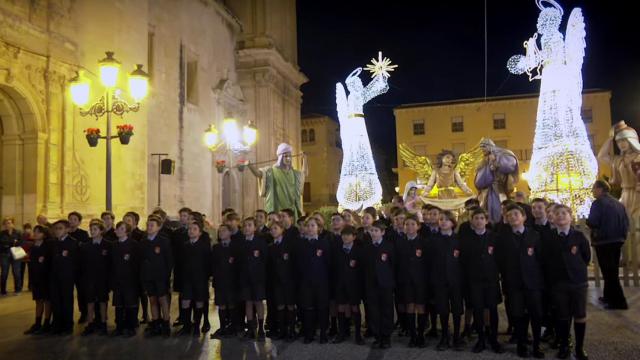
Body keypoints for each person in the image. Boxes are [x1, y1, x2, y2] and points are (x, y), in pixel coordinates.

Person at [496, 205, 545, 358]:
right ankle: (521, 344)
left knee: (536, 315)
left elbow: (542, 260)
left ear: (524, 217)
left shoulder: (535, 235)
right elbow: (500, 260)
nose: (513, 217)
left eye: (516, 214)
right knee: (518, 315)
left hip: (533, 284)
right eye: (509, 215)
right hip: (514, 284)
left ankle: (537, 345)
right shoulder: (503, 238)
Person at [544, 205, 590, 360]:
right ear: (553, 218)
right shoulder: (549, 237)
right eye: (557, 214)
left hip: (578, 282)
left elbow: (586, 257)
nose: (561, 216)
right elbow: (545, 260)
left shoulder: (579, 237)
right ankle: (564, 345)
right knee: (562, 315)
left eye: (564, 213)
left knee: (580, 314)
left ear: (571, 217)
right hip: (558, 283)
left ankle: (579, 347)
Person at [460, 208, 503, 354]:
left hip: (491, 280)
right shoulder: (466, 239)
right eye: (476, 218)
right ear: (471, 221)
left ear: (486, 220)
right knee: (478, 309)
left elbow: (500, 259)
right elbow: (463, 261)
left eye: (481, 218)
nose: (479, 221)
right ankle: (481, 339)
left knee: (492, 310)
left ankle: (494, 339)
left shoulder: (494, 238)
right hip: (474, 281)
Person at [587, 180, 629, 310]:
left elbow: (593, 221)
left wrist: (589, 222)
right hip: (618, 240)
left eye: (594, 189)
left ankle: (619, 302)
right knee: (612, 270)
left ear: (600, 189)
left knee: (609, 273)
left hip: (603, 241)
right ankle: (608, 296)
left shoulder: (598, 203)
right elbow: (626, 222)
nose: (593, 191)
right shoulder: (618, 203)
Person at [429, 211, 464, 351]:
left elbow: (463, 262)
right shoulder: (433, 240)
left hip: (456, 281)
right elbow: (429, 262)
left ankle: (456, 336)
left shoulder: (458, 240)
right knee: (442, 309)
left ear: (452, 223)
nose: (443, 222)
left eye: (447, 220)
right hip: (439, 281)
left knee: (456, 310)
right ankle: (444, 336)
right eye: (441, 219)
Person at [249, 143, 308, 220]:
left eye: (290, 156)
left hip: (292, 211)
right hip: (278, 210)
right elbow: (258, 174)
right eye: (286, 156)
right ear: (280, 157)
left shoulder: (294, 173)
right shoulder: (271, 171)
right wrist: (249, 165)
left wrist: (305, 159)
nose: (288, 159)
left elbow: (304, 174)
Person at [296, 216, 332, 344]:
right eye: (308, 226)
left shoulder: (323, 243)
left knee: (322, 308)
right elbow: (298, 264)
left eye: (313, 226)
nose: (310, 228)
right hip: (306, 282)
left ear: (318, 228)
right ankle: (309, 333)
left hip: (321, 282)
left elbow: (328, 263)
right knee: (308, 308)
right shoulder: (301, 244)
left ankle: (323, 333)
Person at [395, 214, 428, 348]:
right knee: (409, 306)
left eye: (413, 224)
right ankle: (412, 335)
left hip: (420, 281)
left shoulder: (423, 242)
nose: (409, 227)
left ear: (418, 226)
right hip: (406, 281)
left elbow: (428, 263)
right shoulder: (400, 242)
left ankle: (420, 335)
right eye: (407, 224)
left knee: (420, 306)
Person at [362, 220, 395, 349]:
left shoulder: (389, 246)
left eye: (376, 231)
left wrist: (391, 281)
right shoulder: (367, 247)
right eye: (372, 231)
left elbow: (393, 265)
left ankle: (386, 336)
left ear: (382, 232)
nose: (374, 233)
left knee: (386, 310)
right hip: (371, 285)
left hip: (385, 284)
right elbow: (364, 267)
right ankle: (377, 336)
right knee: (373, 311)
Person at [140, 214, 173, 337]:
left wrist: (167, 275)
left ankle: (165, 322)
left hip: (160, 276)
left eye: (152, 225)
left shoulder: (164, 241)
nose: (149, 227)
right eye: (148, 225)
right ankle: (155, 322)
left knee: (162, 299)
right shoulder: (143, 242)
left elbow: (169, 260)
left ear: (158, 227)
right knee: (152, 299)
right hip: (148, 276)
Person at [176, 221, 211, 337]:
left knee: (198, 302)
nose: (191, 231)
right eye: (190, 229)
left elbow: (207, 264)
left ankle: (196, 326)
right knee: (185, 301)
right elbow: (180, 263)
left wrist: (206, 277)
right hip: (186, 279)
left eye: (194, 229)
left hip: (200, 279)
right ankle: (186, 326)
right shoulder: (184, 246)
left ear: (200, 232)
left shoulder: (204, 247)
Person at [474, 138, 520, 225]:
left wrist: (496, 162)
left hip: (498, 190)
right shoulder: (484, 159)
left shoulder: (502, 154)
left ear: (490, 146)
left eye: (484, 147)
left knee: (500, 211)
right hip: (485, 192)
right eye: (481, 148)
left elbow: (510, 165)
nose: (482, 150)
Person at [332, 225, 365, 345]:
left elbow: (362, 270)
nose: (345, 237)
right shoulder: (337, 249)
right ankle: (341, 333)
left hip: (354, 285)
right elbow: (333, 268)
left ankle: (357, 334)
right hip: (340, 284)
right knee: (340, 307)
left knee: (354, 308)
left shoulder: (359, 251)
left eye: (348, 235)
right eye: (343, 235)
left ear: (354, 237)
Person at [79, 220, 112, 336]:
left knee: (103, 301)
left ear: (101, 231)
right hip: (89, 278)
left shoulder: (108, 245)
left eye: (95, 229)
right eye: (91, 229)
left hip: (102, 279)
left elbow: (110, 264)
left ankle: (103, 323)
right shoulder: (85, 246)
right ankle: (90, 323)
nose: (92, 232)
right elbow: (82, 263)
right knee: (90, 302)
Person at [239, 217, 268, 340]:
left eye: (249, 225)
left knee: (258, 302)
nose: (246, 228)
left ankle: (261, 328)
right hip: (245, 278)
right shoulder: (240, 243)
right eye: (245, 225)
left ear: (255, 228)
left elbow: (265, 260)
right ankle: (251, 328)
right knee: (248, 303)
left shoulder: (260, 242)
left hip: (257, 278)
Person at [267, 221, 297, 341]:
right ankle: (282, 330)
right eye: (271, 229)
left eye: (275, 228)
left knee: (290, 305)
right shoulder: (271, 247)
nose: (273, 231)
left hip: (289, 280)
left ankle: (291, 330)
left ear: (282, 229)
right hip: (276, 281)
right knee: (280, 305)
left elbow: (294, 263)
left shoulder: (289, 245)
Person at [111, 221, 140, 337]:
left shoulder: (134, 245)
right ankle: (119, 326)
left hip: (130, 280)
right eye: (118, 228)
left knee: (130, 304)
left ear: (127, 231)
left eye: (122, 229)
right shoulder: (113, 245)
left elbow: (136, 264)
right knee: (118, 304)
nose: (119, 231)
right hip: (117, 279)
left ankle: (131, 326)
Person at [49, 220, 78, 335]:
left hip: (66, 277)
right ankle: (57, 324)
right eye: (56, 228)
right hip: (54, 276)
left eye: (60, 228)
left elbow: (73, 260)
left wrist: (61, 257)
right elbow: (52, 259)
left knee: (66, 300)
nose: (57, 231)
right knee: (55, 300)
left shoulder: (72, 242)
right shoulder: (53, 243)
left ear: (67, 229)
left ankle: (67, 325)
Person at [210, 224, 239, 338]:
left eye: (224, 230)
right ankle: (222, 327)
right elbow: (213, 264)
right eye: (220, 231)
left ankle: (232, 327)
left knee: (231, 304)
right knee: (221, 304)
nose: (221, 233)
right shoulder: (216, 248)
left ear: (230, 233)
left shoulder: (235, 247)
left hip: (232, 281)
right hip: (220, 281)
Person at [23, 225, 52, 335]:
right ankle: (37, 323)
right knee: (38, 300)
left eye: (38, 232)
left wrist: (44, 260)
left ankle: (46, 323)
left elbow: (50, 262)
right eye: (34, 231)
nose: (35, 234)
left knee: (47, 300)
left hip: (46, 277)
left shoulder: (48, 246)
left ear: (44, 234)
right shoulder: (33, 247)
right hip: (36, 277)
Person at [68, 211, 90, 324]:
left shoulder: (83, 234)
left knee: (81, 292)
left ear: (79, 222)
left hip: (80, 268)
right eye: (70, 219)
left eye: (74, 219)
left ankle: (84, 312)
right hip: (67, 268)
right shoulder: (65, 233)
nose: (72, 221)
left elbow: (85, 249)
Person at [0, 217, 23, 295]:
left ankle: (17, 290)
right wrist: (12, 242)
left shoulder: (18, 233)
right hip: (4, 254)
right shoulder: (1, 233)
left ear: (13, 224)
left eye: (9, 223)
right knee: (4, 273)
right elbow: (1, 244)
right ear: (4, 225)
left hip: (16, 253)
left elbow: (21, 243)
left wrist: (9, 243)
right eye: (6, 223)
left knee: (16, 272)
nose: (8, 224)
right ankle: (3, 290)